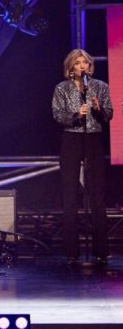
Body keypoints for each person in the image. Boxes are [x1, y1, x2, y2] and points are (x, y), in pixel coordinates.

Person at [52, 49, 113, 266]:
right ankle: (72, 251)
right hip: (71, 138)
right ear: (71, 66)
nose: (82, 66)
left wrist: (97, 109)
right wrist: (77, 115)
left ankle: (101, 251)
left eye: (85, 62)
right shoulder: (62, 88)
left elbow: (109, 114)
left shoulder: (100, 86)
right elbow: (57, 114)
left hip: (93, 138)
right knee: (70, 193)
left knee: (97, 195)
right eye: (78, 63)